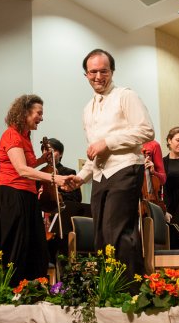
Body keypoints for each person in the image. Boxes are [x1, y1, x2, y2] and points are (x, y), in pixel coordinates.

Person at [66, 49, 154, 283]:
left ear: (112, 71)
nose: (98, 76)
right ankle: (109, 288)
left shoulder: (126, 96)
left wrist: (108, 142)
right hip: (100, 176)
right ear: (86, 74)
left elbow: (147, 130)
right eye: (93, 72)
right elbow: (94, 152)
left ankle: (130, 289)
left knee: (118, 232)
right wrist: (81, 178)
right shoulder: (87, 109)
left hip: (125, 168)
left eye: (103, 71)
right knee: (101, 235)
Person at [0, 94, 69, 285]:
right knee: (15, 247)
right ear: (25, 112)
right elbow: (22, 170)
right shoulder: (11, 135)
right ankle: (10, 290)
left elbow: (29, 164)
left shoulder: (24, 137)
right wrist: (54, 178)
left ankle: (32, 290)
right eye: (38, 113)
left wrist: (42, 160)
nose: (41, 118)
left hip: (26, 195)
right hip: (10, 195)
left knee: (35, 246)